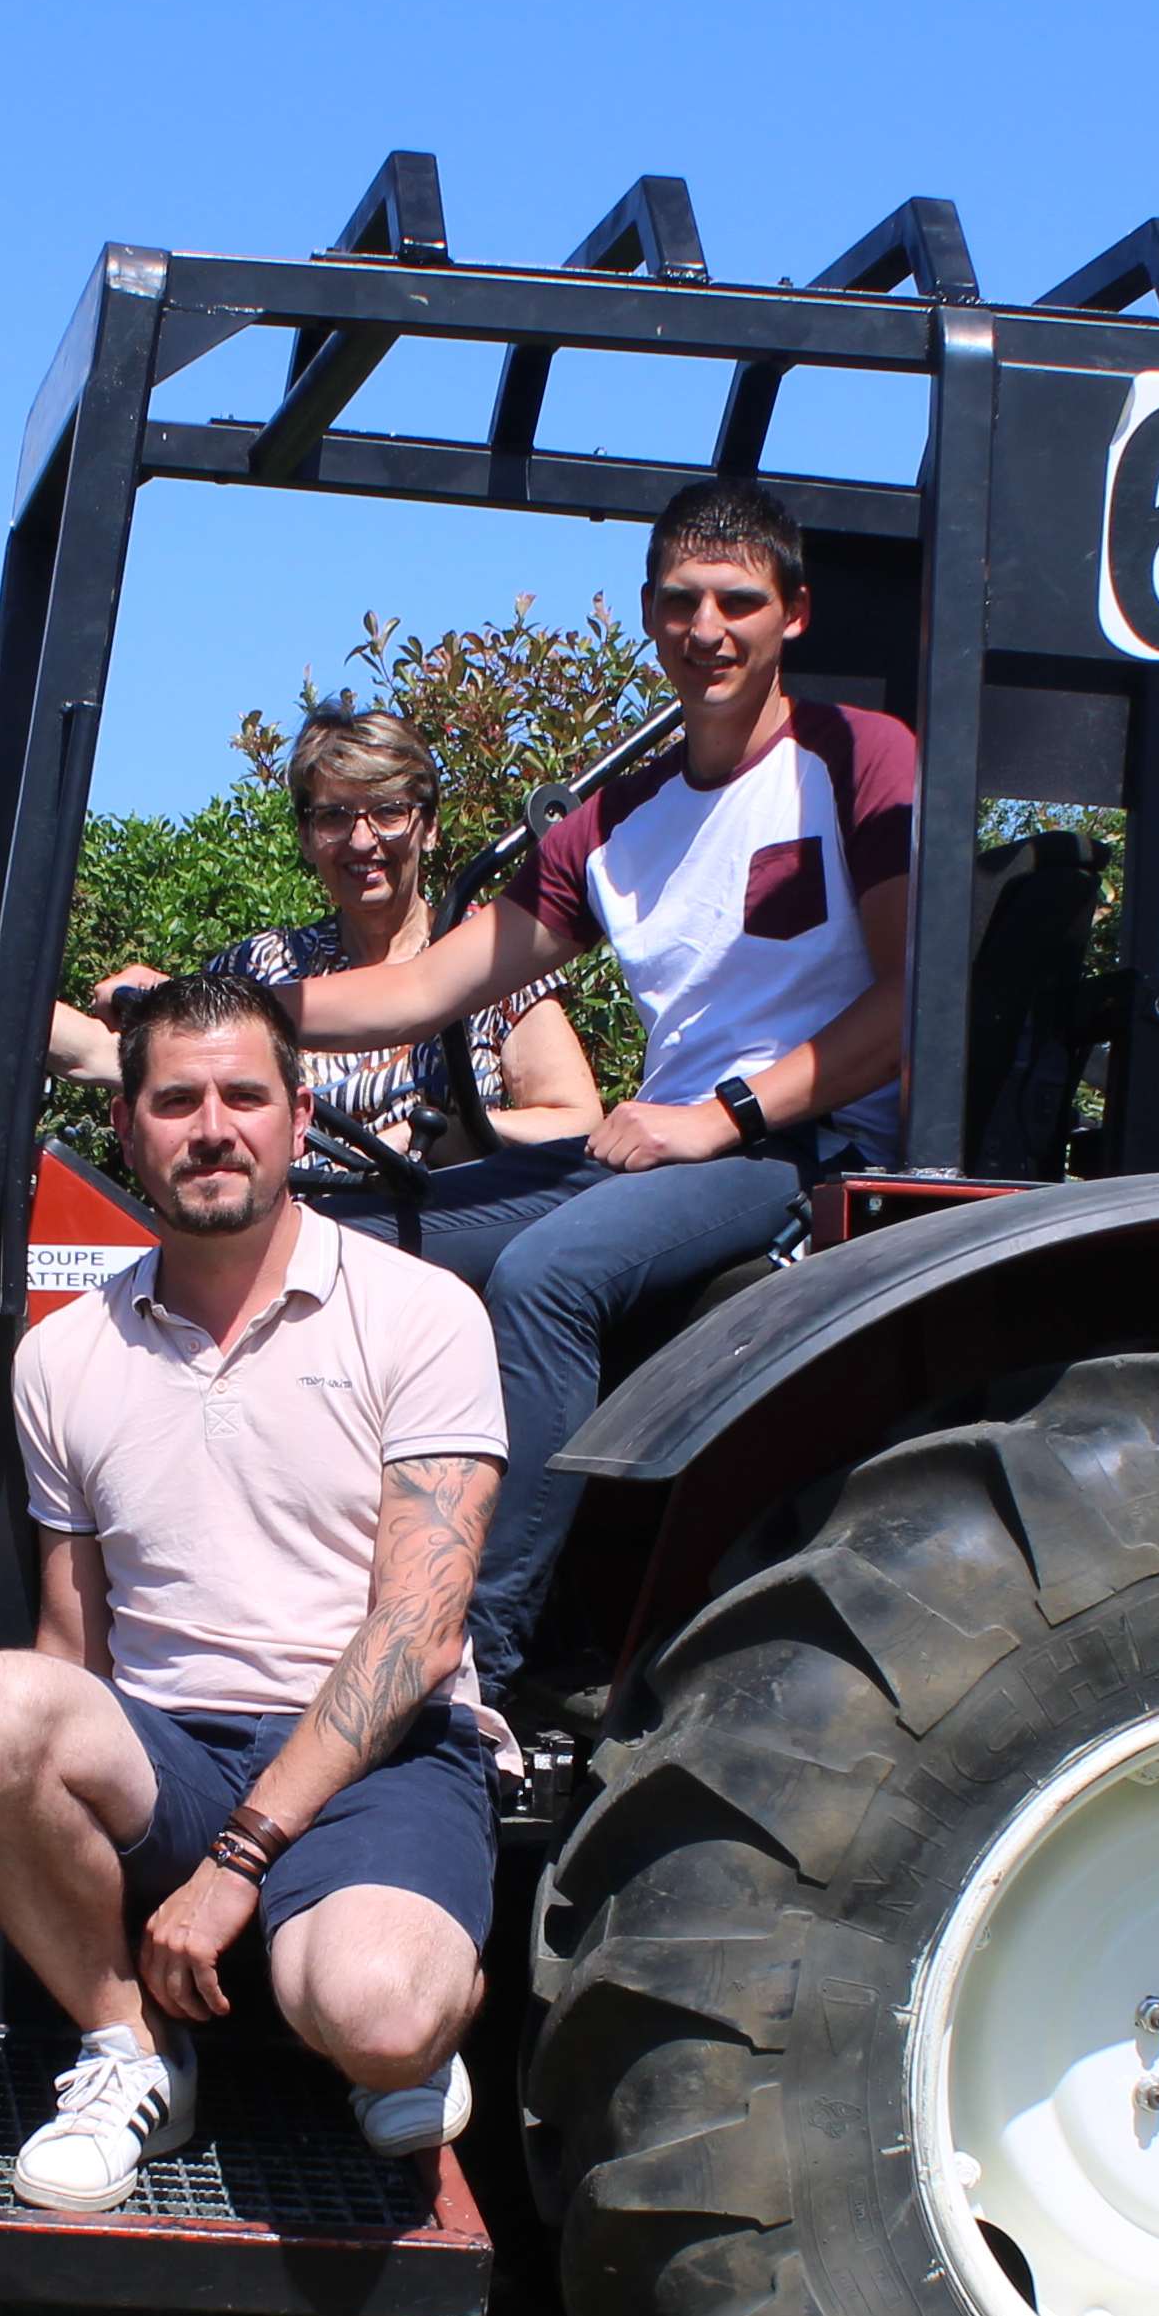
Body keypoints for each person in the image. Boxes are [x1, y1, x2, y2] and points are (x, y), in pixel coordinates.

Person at [273, 476, 919, 1703]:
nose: (708, 630)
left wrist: (718, 1116)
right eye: (681, 602)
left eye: (739, 600)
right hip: (666, 1139)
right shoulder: (617, 817)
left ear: (796, 613)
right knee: (344, 1240)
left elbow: (907, 1012)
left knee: (548, 1277)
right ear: (647, 614)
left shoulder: (858, 760)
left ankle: (471, 1666)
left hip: (797, 1142)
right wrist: (223, 1018)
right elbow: (420, 990)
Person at [0, 965, 509, 2214]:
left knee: (381, 2013)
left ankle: (390, 2011)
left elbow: (417, 1634)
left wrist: (239, 1862)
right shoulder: (63, 1355)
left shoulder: (419, 1314)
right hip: (175, 1755)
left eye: (245, 1095)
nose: (213, 1127)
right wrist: (57, 1825)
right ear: (127, 1128)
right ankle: (130, 2056)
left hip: (379, 1756)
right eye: (177, 1099)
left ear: (301, 1119)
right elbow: (70, 1653)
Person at [0, 706, 602, 1189]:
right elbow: (102, 1053)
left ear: (428, 828)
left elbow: (573, 1124)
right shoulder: (262, 970)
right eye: (334, 816)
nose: (363, 841)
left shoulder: (488, 962)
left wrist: (444, 1136)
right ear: (306, 839)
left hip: (439, 1240)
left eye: (389, 811)